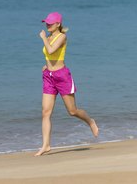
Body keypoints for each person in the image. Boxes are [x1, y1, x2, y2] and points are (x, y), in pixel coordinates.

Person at [35, 12, 99, 156]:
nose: (47, 25)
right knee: (45, 112)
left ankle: (90, 121)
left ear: (58, 24)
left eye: (50, 23)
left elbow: (51, 50)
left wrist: (44, 38)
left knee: (72, 111)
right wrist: (47, 66)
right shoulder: (50, 36)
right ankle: (46, 145)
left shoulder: (62, 37)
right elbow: (49, 55)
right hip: (48, 76)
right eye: (46, 22)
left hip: (62, 77)